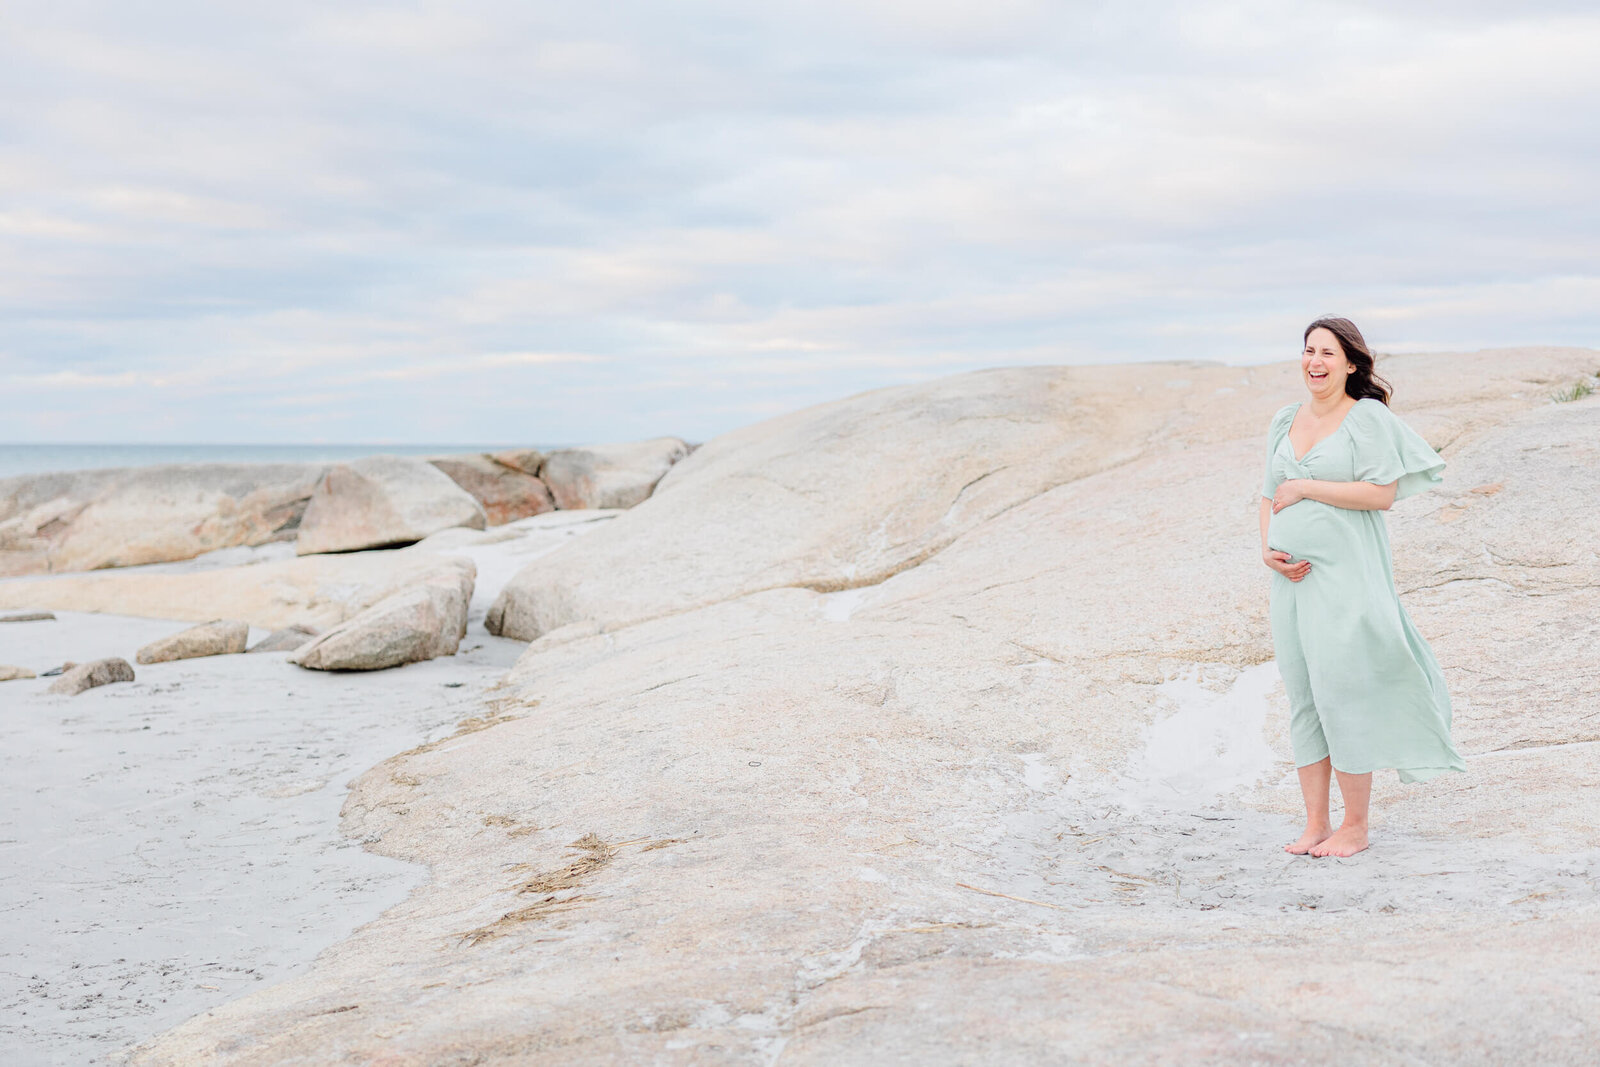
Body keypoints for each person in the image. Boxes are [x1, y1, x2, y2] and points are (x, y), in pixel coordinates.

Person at [1260, 316, 1466, 858]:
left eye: (1328, 353)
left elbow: (1381, 493)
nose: (1315, 362)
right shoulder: (1285, 419)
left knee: (1343, 693)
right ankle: (1314, 825)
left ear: (1351, 363)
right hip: (1292, 583)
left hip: (1346, 579)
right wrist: (1267, 550)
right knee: (1304, 696)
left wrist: (1306, 486)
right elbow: (1267, 493)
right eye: (1308, 351)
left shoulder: (1366, 418)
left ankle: (1355, 826)